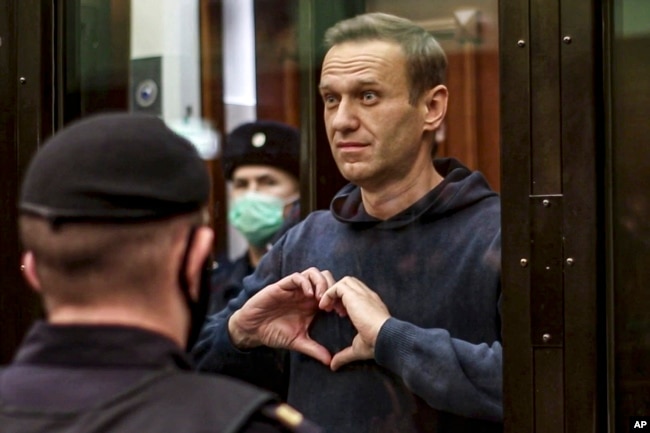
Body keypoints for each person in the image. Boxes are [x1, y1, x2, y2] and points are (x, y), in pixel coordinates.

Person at [192, 12, 502, 433]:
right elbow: (195, 378)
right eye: (331, 99)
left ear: (432, 107)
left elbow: (546, 382)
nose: (341, 121)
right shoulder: (303, 241)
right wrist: (239, 332)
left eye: (368, 96)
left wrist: (393, 340)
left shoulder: (496, 235)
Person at [0, 112, 321, 433]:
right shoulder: (248, 426)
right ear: (195, 258)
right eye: (242, 183)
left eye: (266, 182)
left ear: (32, 272)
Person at [211, 120, 301, 315]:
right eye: (241, 184)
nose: (252, 195)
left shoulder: (311, 280)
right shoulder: (216, 285)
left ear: (299, 193)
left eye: (267, 182)